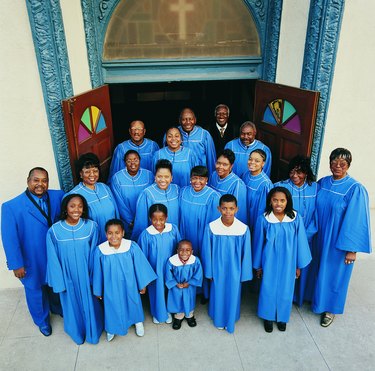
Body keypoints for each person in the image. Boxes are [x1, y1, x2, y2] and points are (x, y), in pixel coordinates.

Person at [1, 167, 64, 336]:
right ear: (28, 181)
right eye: (36, 180)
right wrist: (16, 264)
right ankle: (42, 321)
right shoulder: (11, 207)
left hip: (53, 255)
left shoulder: (58, 196)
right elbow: (9, 240)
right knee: (35, 290)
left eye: (44, 180)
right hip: (31, 258)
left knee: (54, 285)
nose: (40, 184)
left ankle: (57, 308)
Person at [313, 148, 372, 327]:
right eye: (334, 162)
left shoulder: (355, 189)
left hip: (337, 240)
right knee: (318, 269)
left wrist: (351, 250)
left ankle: (330, 309)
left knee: (335, 274)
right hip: (319, 234)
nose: (338, 166)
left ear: (348, 165)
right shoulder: (323, 182)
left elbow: (356, 221)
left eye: (343, 164)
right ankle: (316, 299)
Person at [46, 194, 103, 344]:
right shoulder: (54, 231)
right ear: (65, 208)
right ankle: (76, 332)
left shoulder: (91, 226)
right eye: (72, 206)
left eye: (80, 206)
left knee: (90, 302)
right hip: (67, 274)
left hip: (86, 274)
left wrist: (94, 276)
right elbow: (52, 258)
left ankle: (93, 331)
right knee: (71, 304)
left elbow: (95, 254)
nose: (76, 209)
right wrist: (59, 281)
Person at [253, 187, 311, 333]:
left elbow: (301, 243)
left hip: (289, 261)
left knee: (286, 288)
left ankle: (282, 318)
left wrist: (298, 265)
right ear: (270, 201)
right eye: (275, 200)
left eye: (282, 200)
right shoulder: (264, 219)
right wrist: (258, 265)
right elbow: (258, 243)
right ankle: (268, 317)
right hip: (269, 261)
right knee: (268, 287)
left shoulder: (295, 218)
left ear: (287, 201)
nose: (278, 203)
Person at [92, 219, 157, 342]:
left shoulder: (131, 246)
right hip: (110, 286)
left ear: (123, 233)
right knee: (112, 306)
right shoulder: (100, 251)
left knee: (133, 302)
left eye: (117, 232)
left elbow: (140, 266)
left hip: (130, 284)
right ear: (106, 234)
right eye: (110, 233)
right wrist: (98, 290)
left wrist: (142, 284)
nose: (114, 236)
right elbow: (97, 272)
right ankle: (111, 328)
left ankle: (138, 322)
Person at [201, 194, 252, 333]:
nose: (227, 212)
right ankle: (218, 317)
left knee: (234, 291)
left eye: (231, 208)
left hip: (235, 268)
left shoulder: (243, 229)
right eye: (224, 208)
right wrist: (209, 271)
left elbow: (246, 253)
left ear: (237, 209)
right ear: (219, 209)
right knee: (218, 290)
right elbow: (207, 251)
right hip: (217, 267)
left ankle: (231, 316)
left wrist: (244, 272)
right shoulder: (211, 228)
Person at [274, 155, 319, 306]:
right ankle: (285, 298)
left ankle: (301, 296)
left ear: (306, 172)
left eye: (299, 172)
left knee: (303, 265)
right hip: (286, 237)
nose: (295, 175)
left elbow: (317, 215)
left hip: (307, 236)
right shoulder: (280, 187)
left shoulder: (315, 188)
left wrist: (305, 236)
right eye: (292, 171)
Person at [137, 204, 181, 324]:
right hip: (154, 269)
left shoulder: (173, 229)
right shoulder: (146, 234)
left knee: (169, 288)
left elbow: (179, 247)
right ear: (150, 219)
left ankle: (168, 310)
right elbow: (142, 258)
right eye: (154, 219)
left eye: (161, 219)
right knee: (157, 291)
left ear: (166, 217)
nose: (158, 222)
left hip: (170, 268)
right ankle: (158, 313)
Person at [66, 153, 119, 243]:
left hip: (113, 238)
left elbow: (116, 211)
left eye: (95, 171)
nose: (92, 175)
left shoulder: (104, 187)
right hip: (93, 240)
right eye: (87, 172)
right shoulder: (74, 195)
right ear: (80, 174)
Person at [131, 159, 180, 241]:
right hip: (154, 239)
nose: (163, 180)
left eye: (166, 177)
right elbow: (141, 222)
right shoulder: (147, 193)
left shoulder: (176, 189)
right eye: (159, 176)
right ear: (155, 177)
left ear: (171, 178)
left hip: (173, 236)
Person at [110, 150, 154, 238]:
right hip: (127, 220)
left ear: (140, 160)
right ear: (124, 162)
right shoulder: (117, 178)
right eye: (129, 160)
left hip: (145, 217)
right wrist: (130, 220)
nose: (132, 163)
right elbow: (119, 202)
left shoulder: (149, 175)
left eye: (135, 160)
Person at [165, 240, 203, 330]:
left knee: (189, 300)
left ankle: (189, 316)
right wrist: (175, 283)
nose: (184, 253)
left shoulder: (195, 261)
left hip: (189, 286)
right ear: (177, 251)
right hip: (176, 286)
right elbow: (168, 275)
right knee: (177, 301)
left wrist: (190, 282)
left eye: (188, 250)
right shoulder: (171, 261)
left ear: (192, 251)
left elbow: (198, 274)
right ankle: (178, 317)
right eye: (181, 250)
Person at [209, 149, 247, 224]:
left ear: (231, 166)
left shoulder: (237, 184)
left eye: (225, 164)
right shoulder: (213, 175)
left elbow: (238, 213)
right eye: (218, 163)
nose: (220, 167)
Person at [176, 108, 217, 175]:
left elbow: (211, 158)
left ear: (195, 120)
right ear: (179, 120)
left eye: (190, 119)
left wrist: (212, 177)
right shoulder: (173, 134)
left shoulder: (204, 134)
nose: (188, 122)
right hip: (181, 174)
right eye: (184, 119)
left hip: (200, 175)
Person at [241, 149, 272, 233]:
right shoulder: (245, 175)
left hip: (255, 217)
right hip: (243, 213)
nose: (252, 162)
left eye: (257, 161)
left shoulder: (265, 183)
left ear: (263, 164)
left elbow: (264, 209)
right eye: (250, 159)